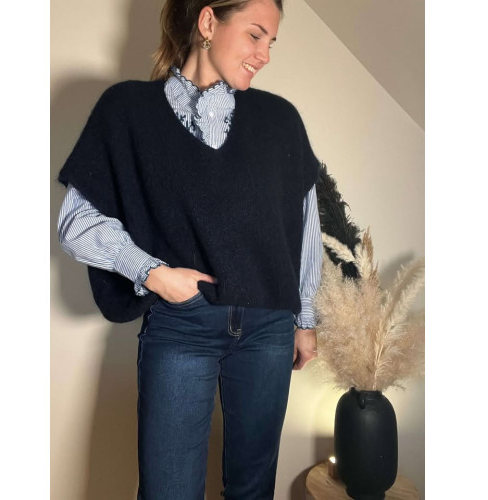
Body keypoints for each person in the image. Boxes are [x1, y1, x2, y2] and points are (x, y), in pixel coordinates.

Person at [57, 0, 323, 498]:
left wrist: (305, 319)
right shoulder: (128, 109)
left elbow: (304, 222)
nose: (265, 54)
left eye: (271, 42)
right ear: (207, 22)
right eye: (255, 35)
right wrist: (154, 273)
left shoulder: (280, 119)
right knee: (169, 491)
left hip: (269, 328)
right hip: (183, 325)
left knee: (252, 491)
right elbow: (77, 222)